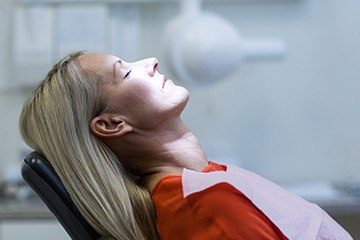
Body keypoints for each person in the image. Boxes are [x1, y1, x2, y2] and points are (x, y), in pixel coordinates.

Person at [19, 51, 352, 240]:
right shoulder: (203, 204)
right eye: (126, 72)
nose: (150, 61)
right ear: (111, 124)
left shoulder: (201, 186)